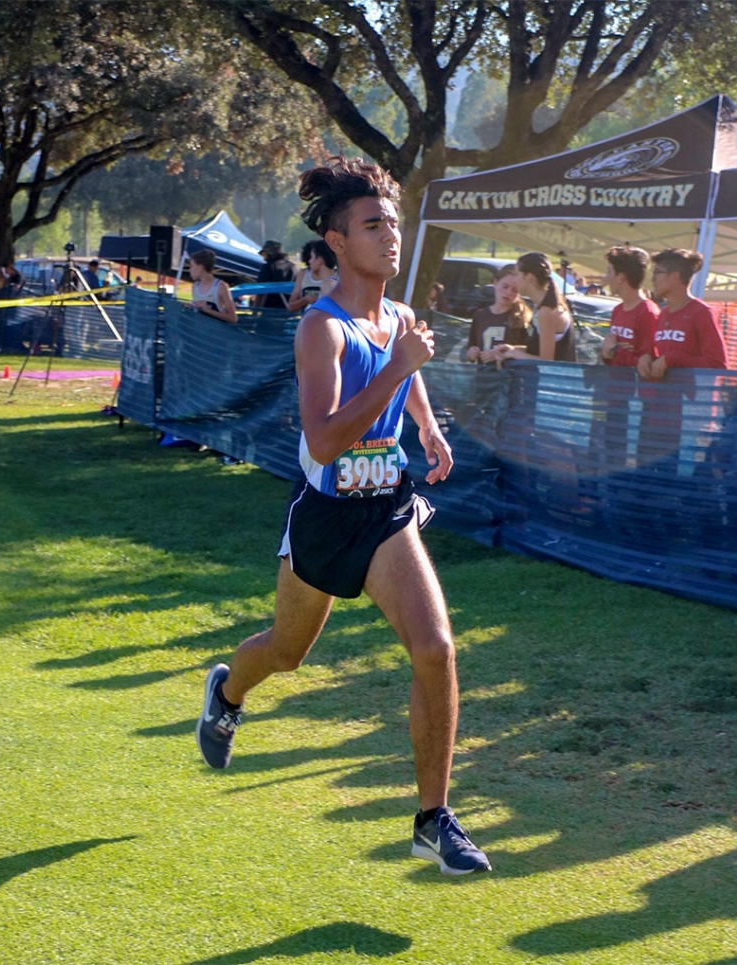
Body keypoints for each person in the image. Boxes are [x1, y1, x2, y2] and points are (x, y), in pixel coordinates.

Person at [195, 156, 491, 876]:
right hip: (326, 514)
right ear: (334, 238)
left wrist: (426, 425)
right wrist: (396, 371)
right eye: (372, 224)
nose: (391, 234)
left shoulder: (399, 315)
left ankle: (432, 819)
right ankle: (228, 689)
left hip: (385, 508)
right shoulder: (320, 330)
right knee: (288, 652)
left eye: (393, 221)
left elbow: (406, 363)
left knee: (436, 649)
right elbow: (326, 436)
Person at [637, 249, 728, 379]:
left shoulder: (702, 313)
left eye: (657, 273)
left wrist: (672, 360)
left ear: (675, 276)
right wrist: (646, 358)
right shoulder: (663, 314)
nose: (652, 279)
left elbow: (718, 365)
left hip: (694, 398)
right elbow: (662, 359)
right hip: (664, 398)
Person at [489, 252, 575, 365]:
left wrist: (515, 354)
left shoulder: (547, 312)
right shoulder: (541, 306)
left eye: (518, 274)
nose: (515, 280)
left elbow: (547, 362)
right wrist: (513, 349)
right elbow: (537, 350)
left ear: (529, 277)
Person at [600, 246, 659, 367]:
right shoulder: (618, 310)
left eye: (609, 272)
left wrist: (615, 351)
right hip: (614, 384)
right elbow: (608, 356)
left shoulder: (648, 313)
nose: (605, 278)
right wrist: (607, 352)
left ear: (621, 278)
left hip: (635, 385)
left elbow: (648, 366)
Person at [466, 264, 531, 364]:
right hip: (484, 376)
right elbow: (472, 345)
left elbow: (531, 351)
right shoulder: (480, 315)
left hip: (512, 376)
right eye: (505, 287)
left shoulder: (522, 318)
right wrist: (472, 352)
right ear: (495, 283)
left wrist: (505, 353)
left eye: (515, 290)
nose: (508, 292)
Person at [287, 239, 339, 313]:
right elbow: (291, 306)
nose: (309, 261)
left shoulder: (334, 282)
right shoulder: (303, 274)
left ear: (319, 261)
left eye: (311, 257)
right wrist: (305, 299)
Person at [189, 249, 237, 324]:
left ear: (200, 267)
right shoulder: (195, 287)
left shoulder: (221, 287)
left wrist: (209, 311)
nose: (190, 270)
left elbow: (233, 318)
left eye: (192, 266)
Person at [256, 239, 296, 308]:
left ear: (270, 253)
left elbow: (261, 291)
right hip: (290, 309)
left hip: (270, 310)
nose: (264, 258)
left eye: (264, 255)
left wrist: (255, 310)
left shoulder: (267, 268)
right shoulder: (295, 267)